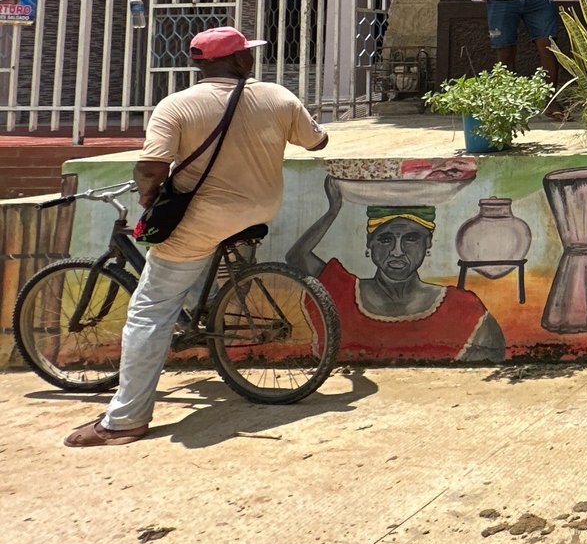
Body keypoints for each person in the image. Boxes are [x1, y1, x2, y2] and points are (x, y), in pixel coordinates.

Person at [65, 27, 328, 447]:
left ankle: (125, 419)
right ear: (240, 61)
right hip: (259, 210)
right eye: (248, 54)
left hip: (202, 220)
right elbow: (317, 142)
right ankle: (209, 304)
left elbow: (151, 168)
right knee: (194, 263)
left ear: (199, 64)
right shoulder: (279, 96)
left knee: (150, 308)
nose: (251, 60)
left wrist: (150, 204)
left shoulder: (176, 106)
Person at [287, 190, 504, 363]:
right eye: (385, 240)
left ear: (427, 244)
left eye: (411, 239)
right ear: (369, 244)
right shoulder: (342, 293)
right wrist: (333, 210)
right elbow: (297, 256)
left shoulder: (464, 310)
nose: (397, 252)